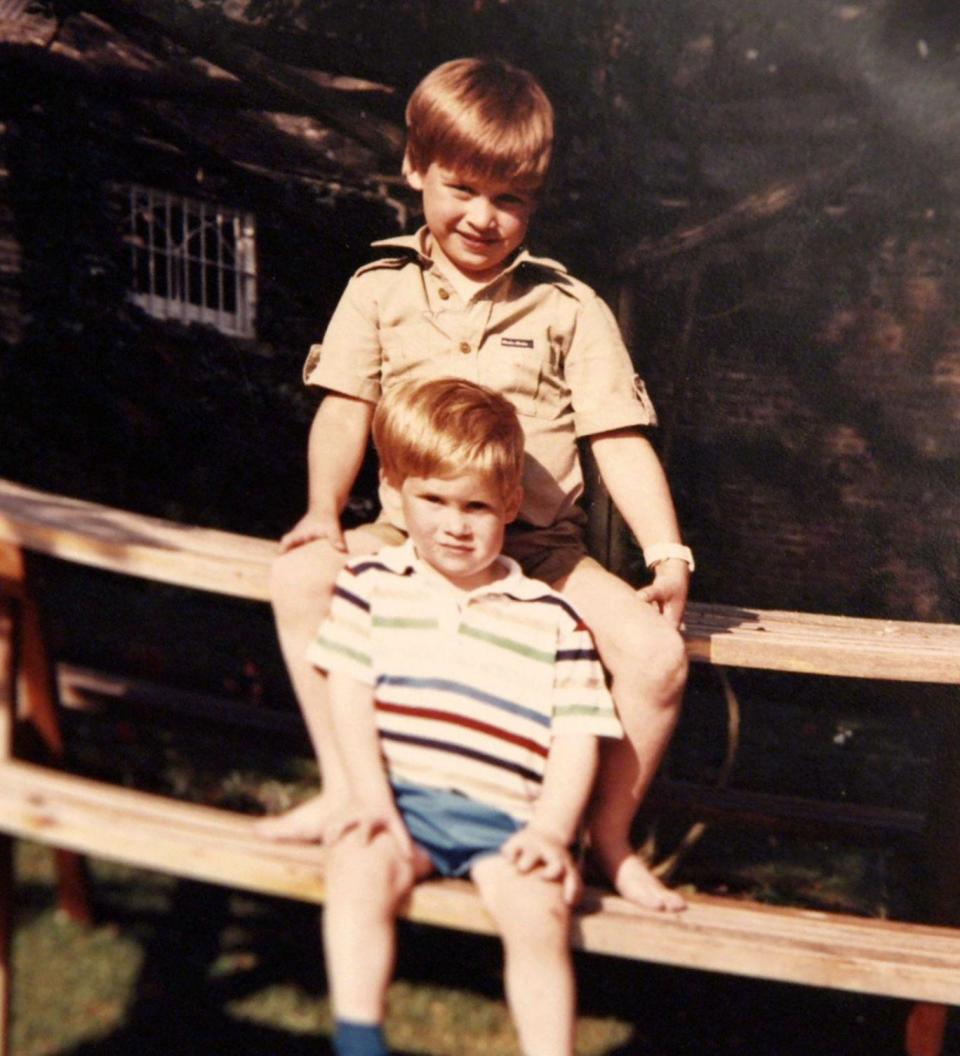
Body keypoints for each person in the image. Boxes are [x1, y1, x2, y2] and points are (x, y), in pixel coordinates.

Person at [258, 56, 692, 912]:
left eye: (511, 200)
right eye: (463, 189)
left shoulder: (569, 307)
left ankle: (605, 839)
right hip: (411, 541)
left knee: (657, 659)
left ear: (535, 199)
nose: (484, 219)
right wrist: (320, 512)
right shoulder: (380, 291)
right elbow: (344, 412)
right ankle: (350, 791)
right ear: (416, 167)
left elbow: (620, 437)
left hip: (541, 553)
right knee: (299, 575)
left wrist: (667, 553)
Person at [317, 377, 622, 1056]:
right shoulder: (372, 587)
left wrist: (550, 829)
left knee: (537, 917)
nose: (454, 523)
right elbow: (348, 696)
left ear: (511, 504)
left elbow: (577, 737)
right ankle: (358, 1041)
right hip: (402, 805)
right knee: (356, 874)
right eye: (434, 500)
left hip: (507, 821)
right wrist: (370, 799)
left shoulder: (553, 618)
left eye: (477, 505)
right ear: (395, 493)